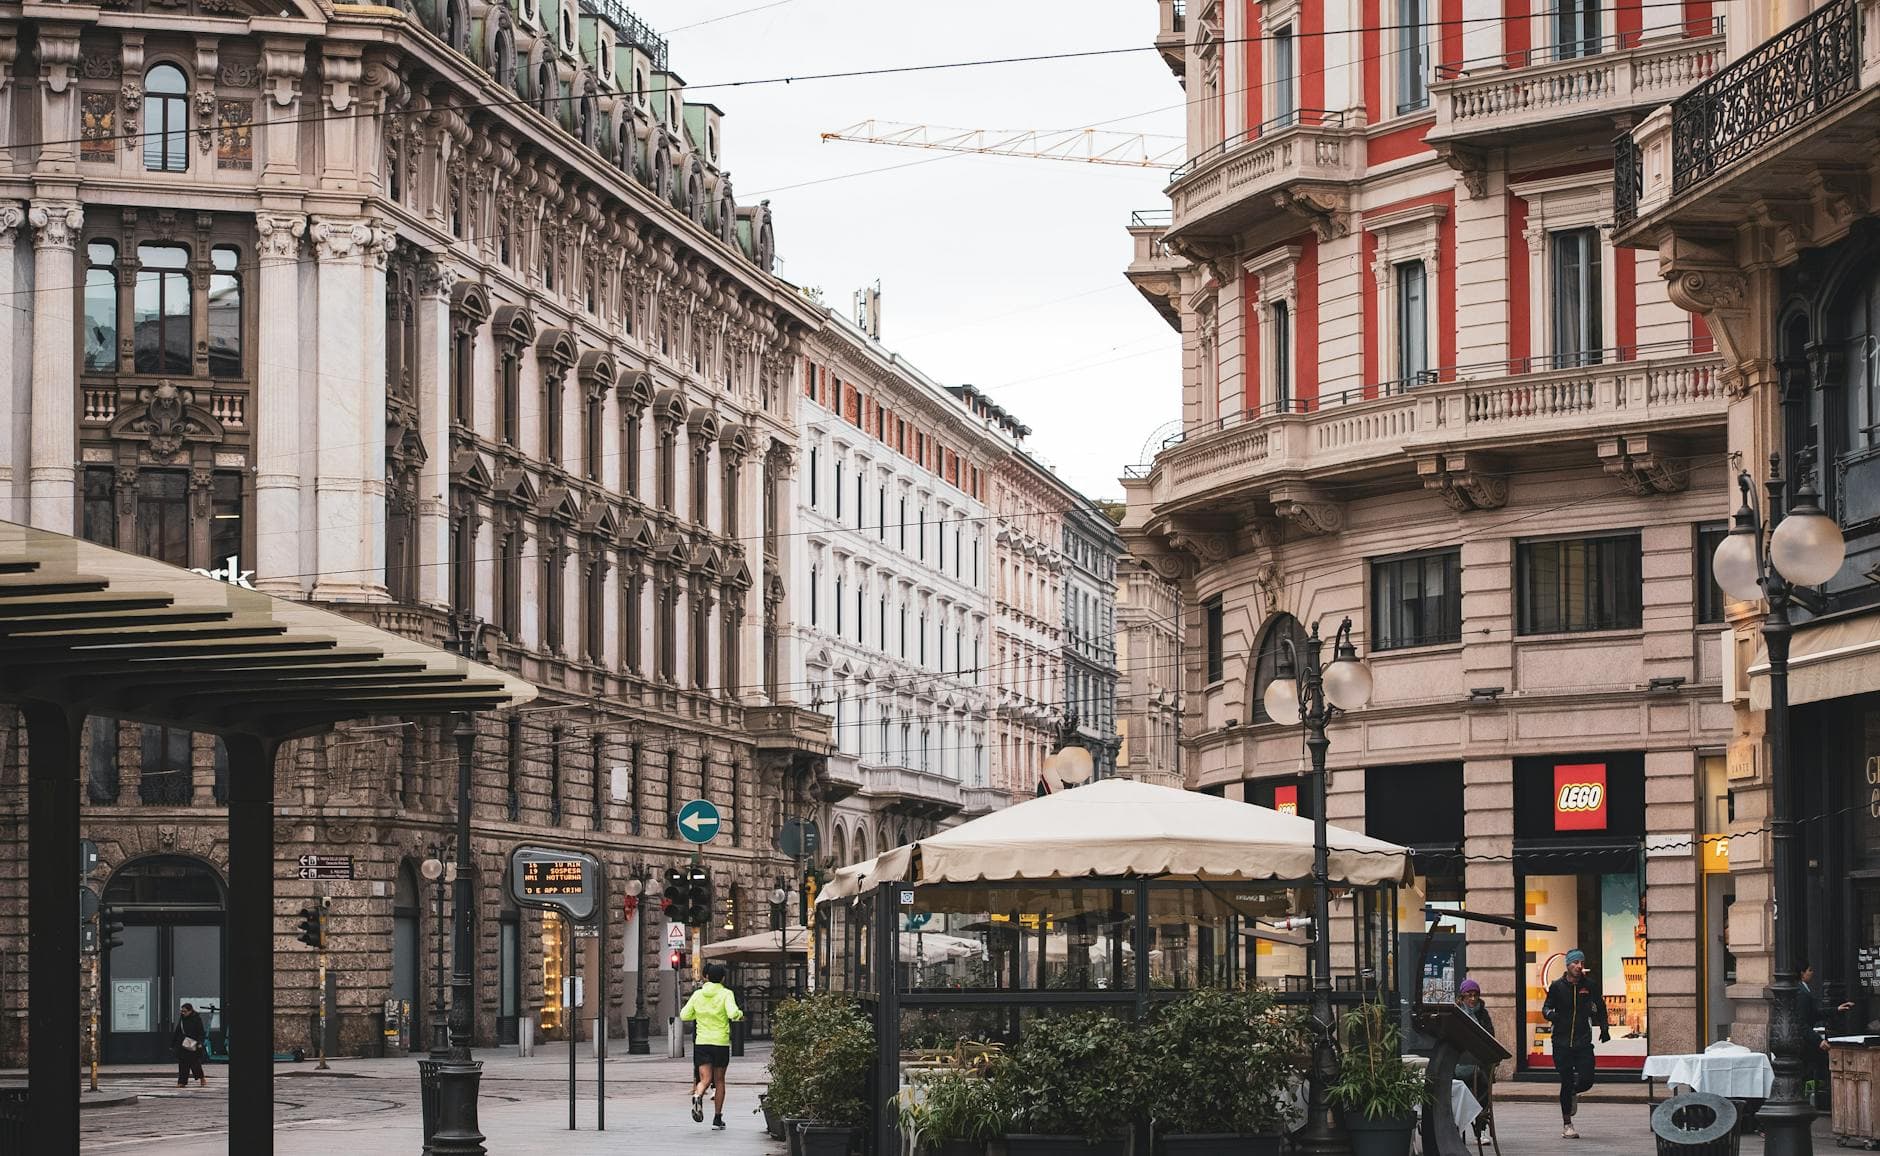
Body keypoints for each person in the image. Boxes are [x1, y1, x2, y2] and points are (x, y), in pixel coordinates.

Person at [1541, 949, 1608, 1140]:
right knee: (1566, 1080)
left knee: (1587, 1079)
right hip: (1561, 1042)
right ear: (1568, 965)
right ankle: (1567, 1124)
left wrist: (1604, 1028)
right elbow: (1546, 1008)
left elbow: (1600, 1007)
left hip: (1583, 1041)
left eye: (1581, 962)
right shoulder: (1557, 986)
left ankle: (1573, 1092)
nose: (1579, 966)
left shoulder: (1590, 985)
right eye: (1575, 962)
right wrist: (1551, 1015)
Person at [679, 962, 744, 1129]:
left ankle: (698, 1094)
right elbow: (732, 1013)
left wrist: (698, 1013)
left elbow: (684, 1015)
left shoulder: (697, 995)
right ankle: (717, 1119)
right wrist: (739, 1014)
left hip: (702, 1042)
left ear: (706, 977)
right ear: (722, 978)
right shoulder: (726, 993)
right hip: (720, 1042)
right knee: (720, 1080)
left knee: (705, 1079)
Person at [1453, 979, 1496, 1105]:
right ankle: (1460, 1112)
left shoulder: (1483, 1013)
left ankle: (1479, 1114)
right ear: (1462, 996)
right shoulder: (1457, 1012)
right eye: (1469, 995)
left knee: (1481, 1079)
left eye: (1475, 995)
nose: (1472, 999)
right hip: (1460, 1059)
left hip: (1480, 1059)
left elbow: (1490, 1035)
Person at [173, 1003, 207, 1088]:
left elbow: (201, 1032)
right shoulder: (182, 1019)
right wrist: (173, 1043)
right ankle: (182, 1082)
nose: (183, 1013)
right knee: (182, 1064)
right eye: (182, 1011)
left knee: (195, 1064)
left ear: (190, 1011)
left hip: (193, 1045)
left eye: (185, 1011)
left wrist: (200, 1043)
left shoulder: (196, 1019)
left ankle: (202, 1077)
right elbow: (177, 1031)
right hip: (183, 1044)